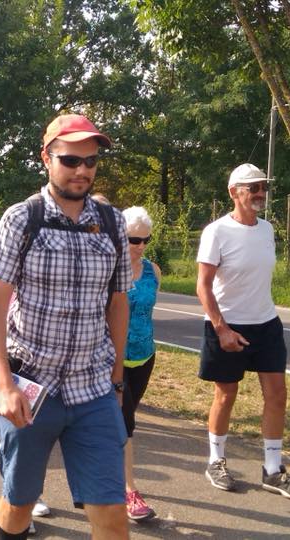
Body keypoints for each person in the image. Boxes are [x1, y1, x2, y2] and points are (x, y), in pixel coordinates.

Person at [0, 113, 131, 539]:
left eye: (91, 161)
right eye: (70, 160)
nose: (82, 170)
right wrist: (5, 384)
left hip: (93, 389)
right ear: (46, 158)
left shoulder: (111, 223)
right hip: (31, 387)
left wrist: (117, 380)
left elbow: (118, 304)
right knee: (19, 503)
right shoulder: (21, 218)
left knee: (112, 513)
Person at [196, 163, 290, 500]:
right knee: (226, 395)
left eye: (264, 188)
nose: (260, 194)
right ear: (234, 192)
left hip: (265, 324)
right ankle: (216, 461)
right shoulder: (216, 232)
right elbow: (202, 286)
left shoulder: (267, 229)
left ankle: (272, 470)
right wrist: (222, 328)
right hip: (227, 325)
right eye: (253, 188)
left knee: (277, 395)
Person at [119, 205, 162, 521]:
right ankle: (129, 492)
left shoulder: (153, 271)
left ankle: (110, 471)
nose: (141, 245)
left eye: (146, 239)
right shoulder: (109, 269)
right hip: (114, 359)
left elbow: (149, 313)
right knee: (125, 424)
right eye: (135, 239)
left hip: (145, 356)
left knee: (124, 420)